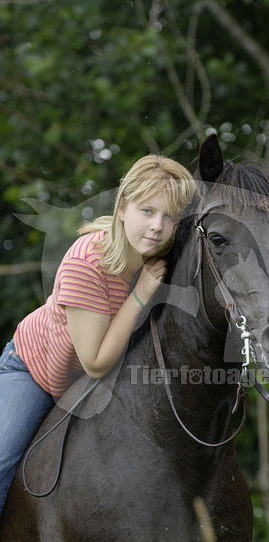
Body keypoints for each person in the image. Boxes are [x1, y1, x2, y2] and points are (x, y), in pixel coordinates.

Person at [0, 154, 195, 516]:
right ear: (122, 208)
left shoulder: (165, 257)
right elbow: (95, 362)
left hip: (92, 384)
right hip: (37, 371)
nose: (156, 226)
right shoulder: (87, 263)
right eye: (147, 211)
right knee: (1, 460)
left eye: (169, 217)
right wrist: (141, 293)